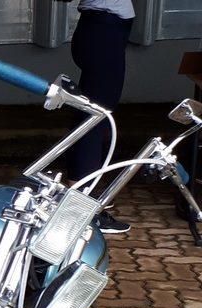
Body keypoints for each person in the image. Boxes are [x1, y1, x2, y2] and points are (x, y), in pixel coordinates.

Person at [66, 0, 135, 233]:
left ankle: (81, 193)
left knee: (92, 118)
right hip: (103, 33)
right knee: (94, 120)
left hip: (101, 31)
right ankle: (82, 211)